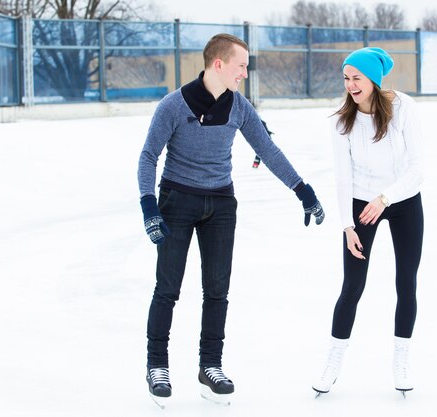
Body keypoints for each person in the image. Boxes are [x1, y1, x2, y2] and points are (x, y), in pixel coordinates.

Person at [137, 33, 325, 405]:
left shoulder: (239, 107)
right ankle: (157, 365)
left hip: (221, 205)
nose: (245, 72)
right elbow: (148, 157)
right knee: (168, 288)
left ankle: (211, 366)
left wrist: (302, 190)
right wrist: (149, 207)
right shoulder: (173, 106)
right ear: (219, 64)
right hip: (178, 200)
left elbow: (266, 149)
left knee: (218, 290)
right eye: (241, 65)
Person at [312, 47, 424, 397]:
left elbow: (417, 168)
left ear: (373, 79)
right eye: (346, 78)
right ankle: (333, 360)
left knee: (406, 281)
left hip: (402, 201)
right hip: (361, 205)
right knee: (352, 286)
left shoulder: (404, 108)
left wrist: (385, 198)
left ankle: (401, 359)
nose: (350, 85)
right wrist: (347, 226)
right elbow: (343, 178)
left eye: (356, 78)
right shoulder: (341, 121)